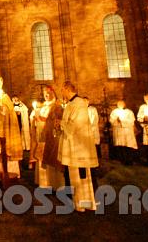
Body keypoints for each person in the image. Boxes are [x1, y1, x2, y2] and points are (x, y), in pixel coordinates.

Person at [57, 81, 98, 212]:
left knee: (80, 174)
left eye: (62, 90)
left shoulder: (79, 103)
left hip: (79, 145)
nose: (61, 93)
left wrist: (61, 123)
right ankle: (78, 201)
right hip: (72, 143)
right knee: (74, 173)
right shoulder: (71, 103)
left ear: (67, 89)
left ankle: (83, 202)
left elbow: (75, 124)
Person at [30, 85, 65, 188]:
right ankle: (43, 182)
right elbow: (36, 117)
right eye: (45, 94)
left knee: (51, 157)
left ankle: (54, 183)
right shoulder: (42, 106)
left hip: (51, 136)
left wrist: (43, 119)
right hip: (40, 135)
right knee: (41, 156)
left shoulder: (57, 106)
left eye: (48, 93)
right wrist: (34, 117)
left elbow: (57, 121)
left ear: (53, 94)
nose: (46, 96)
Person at [109, 100, 138, 165]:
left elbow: (131, 121)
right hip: (118, 131)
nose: (120, 105)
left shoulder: (129, 112)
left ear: (124, 104)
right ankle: (121, 160)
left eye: (121, 103)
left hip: (127, 131)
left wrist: (122, 120)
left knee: (128, 145)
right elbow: (111, 120)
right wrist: (116, 120)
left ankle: (129, 160)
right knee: (120, 146)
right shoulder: (114, 112)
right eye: (119, 104)